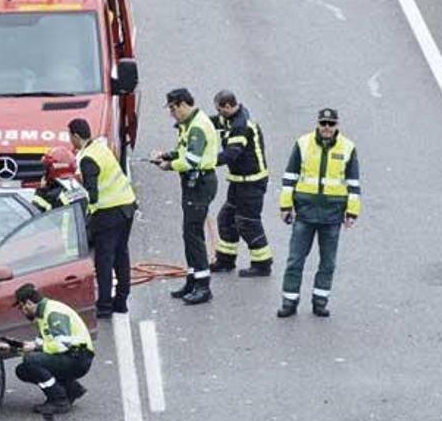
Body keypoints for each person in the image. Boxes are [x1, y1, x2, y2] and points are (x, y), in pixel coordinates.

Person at [277, 108, 360, 318]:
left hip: (332, 215)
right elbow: (289, 178)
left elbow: (353, 184)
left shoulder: (348, 148)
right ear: (318, 124)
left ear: (336, 126)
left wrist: (352, 212)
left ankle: (320, 301)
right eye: (323, 123)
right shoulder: (303, 144)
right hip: (305, 213)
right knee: (295, 260)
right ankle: (289, 301)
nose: (326, 128)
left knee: (327, 263)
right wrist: (286, 207)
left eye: (330, 124)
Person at [153, 88, 219, 305]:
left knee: (193, 234)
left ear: (182, 104)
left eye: (173, 108)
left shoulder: (197, 126)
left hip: (199, 183)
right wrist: (168, 155)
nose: (172, 113)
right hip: (193, 183)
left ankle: (203, 285)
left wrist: (168, 165)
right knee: (189, 233)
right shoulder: (189, 124)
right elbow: (184, 151)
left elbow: (191, 160)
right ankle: (192, 279)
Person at [67, 118, 137, 318]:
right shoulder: (100, 147)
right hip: (127, 206)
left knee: (104, 260)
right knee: (121, 255)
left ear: (76, 136)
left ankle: (104, 305)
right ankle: (121, 301)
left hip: (109, 213)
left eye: (70, 136)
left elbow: (93, 195)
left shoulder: (87, 158)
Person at [0, 283, 94, 415]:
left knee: (31, 361)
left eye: (21, 308)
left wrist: (36, 348)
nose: (22, 312)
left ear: (29, 303)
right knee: (23, 370)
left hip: (79, 358)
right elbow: (39, 345)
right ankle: (72, 390)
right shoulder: (43, 315)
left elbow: (61, 345)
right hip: (71, 356)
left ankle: (59, 401)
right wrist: (14, 348)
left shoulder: (53, 313)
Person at [209, 90, 273, 277]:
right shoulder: (230, 118)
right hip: (239, 181)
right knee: (227, 219)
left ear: (228, 106)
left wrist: (203, 162)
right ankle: (226, 260)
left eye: (220, 110)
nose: (219, 114)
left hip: (252, 183)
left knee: (248, 222)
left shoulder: (240, 126)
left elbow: (230, 154)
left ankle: (262, 263)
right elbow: (214, 122)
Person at [31, 146, 88, 213]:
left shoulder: (49, 198)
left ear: (51, 170)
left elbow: (34, 218)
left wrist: (40, 192)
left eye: (46, 169)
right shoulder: (82, 191)